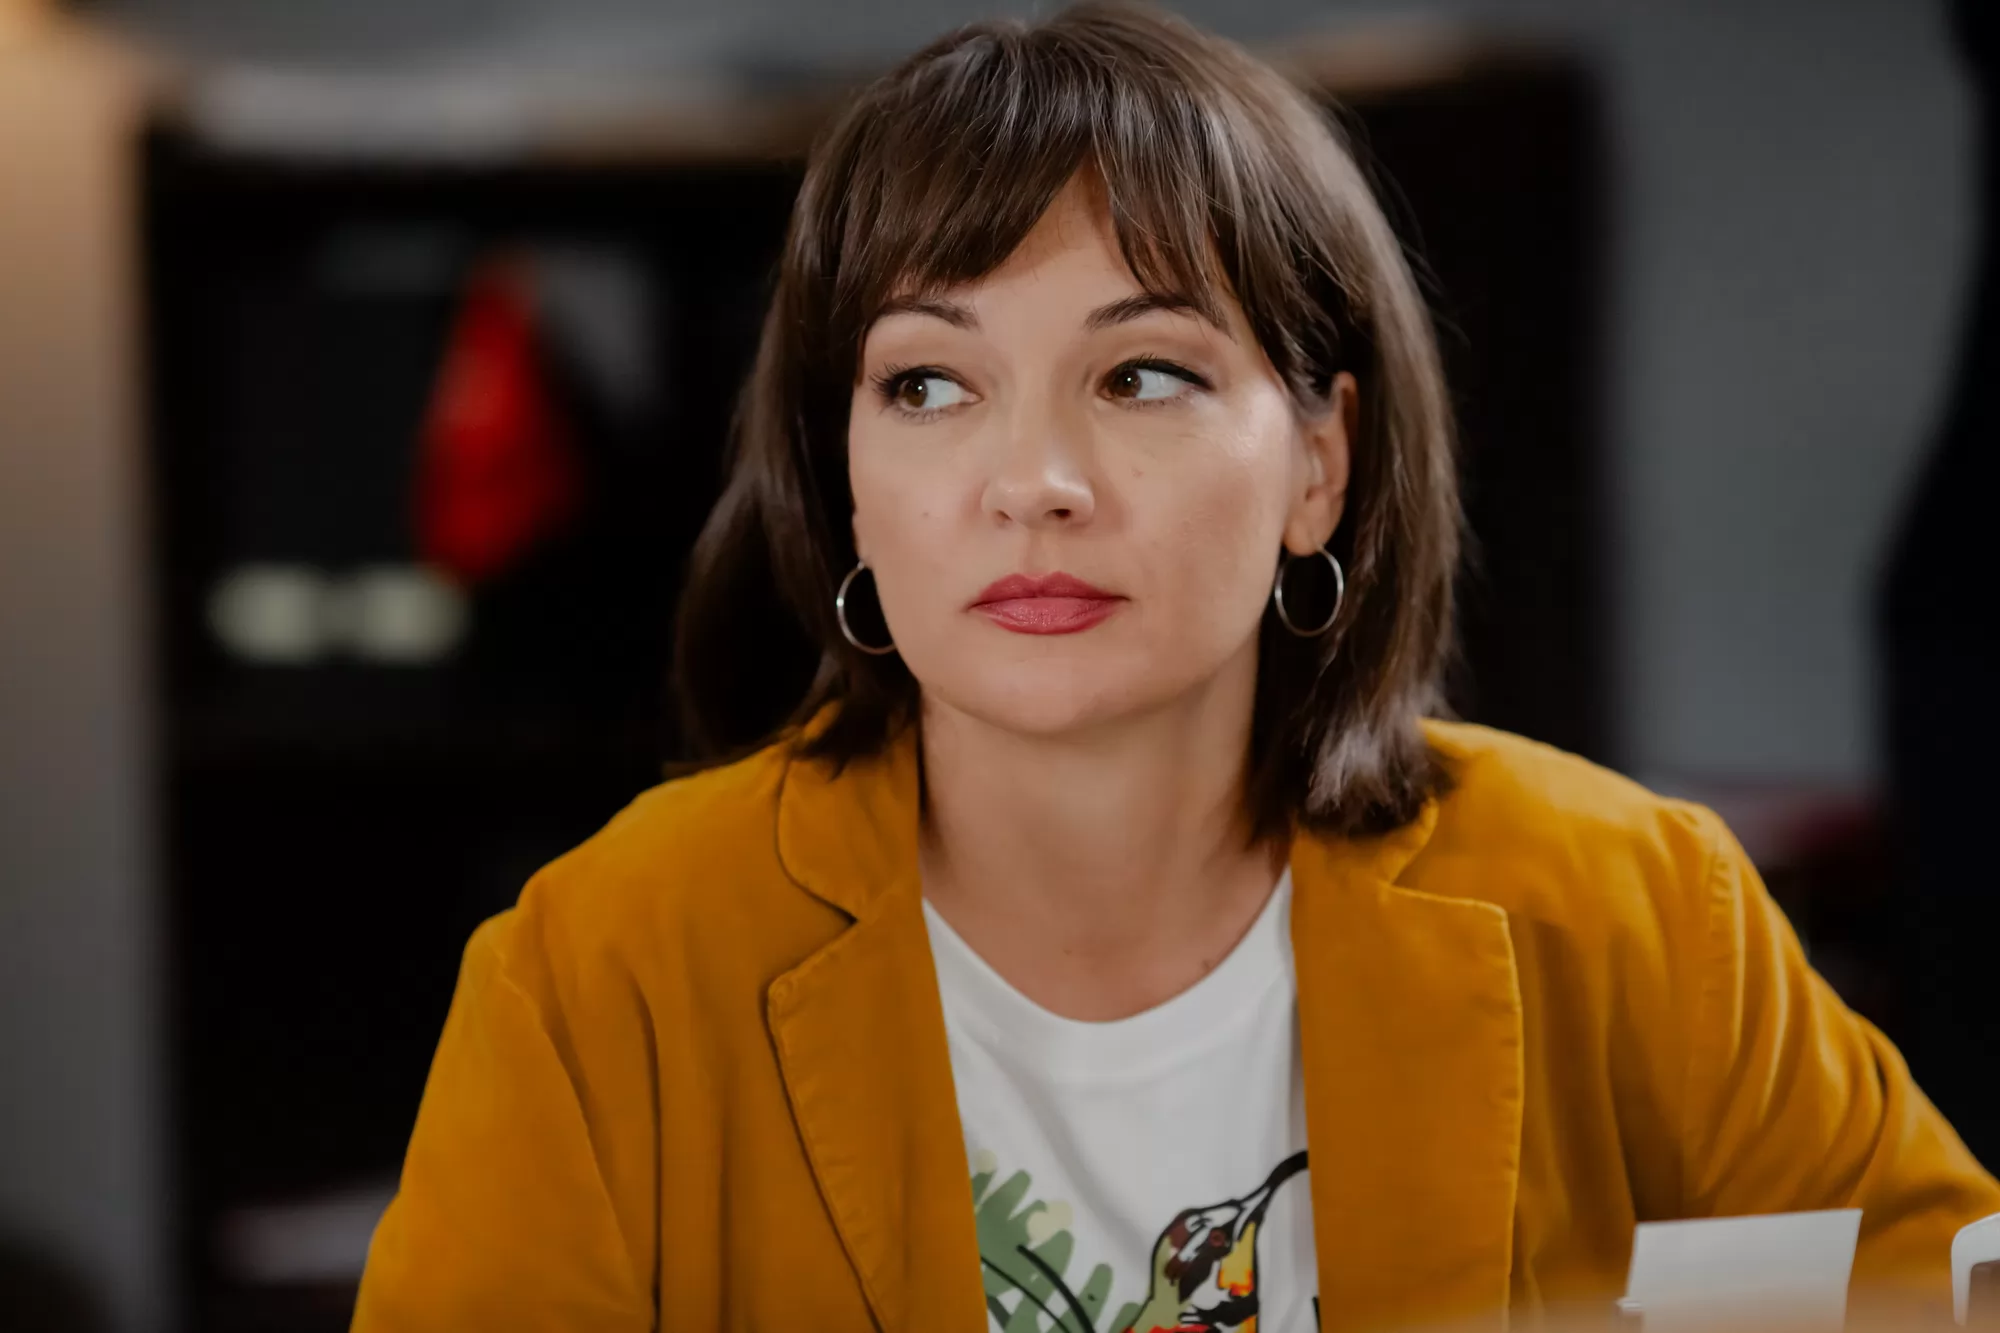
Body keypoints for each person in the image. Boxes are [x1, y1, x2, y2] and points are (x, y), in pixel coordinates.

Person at [350, 5, 2000, 1330]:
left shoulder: (1637, 917)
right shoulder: (603, 972)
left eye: (1142, 374)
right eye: (930, 385)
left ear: (1319, 465)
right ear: (845, 477)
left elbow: (1937, 1296)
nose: (1034, 482)